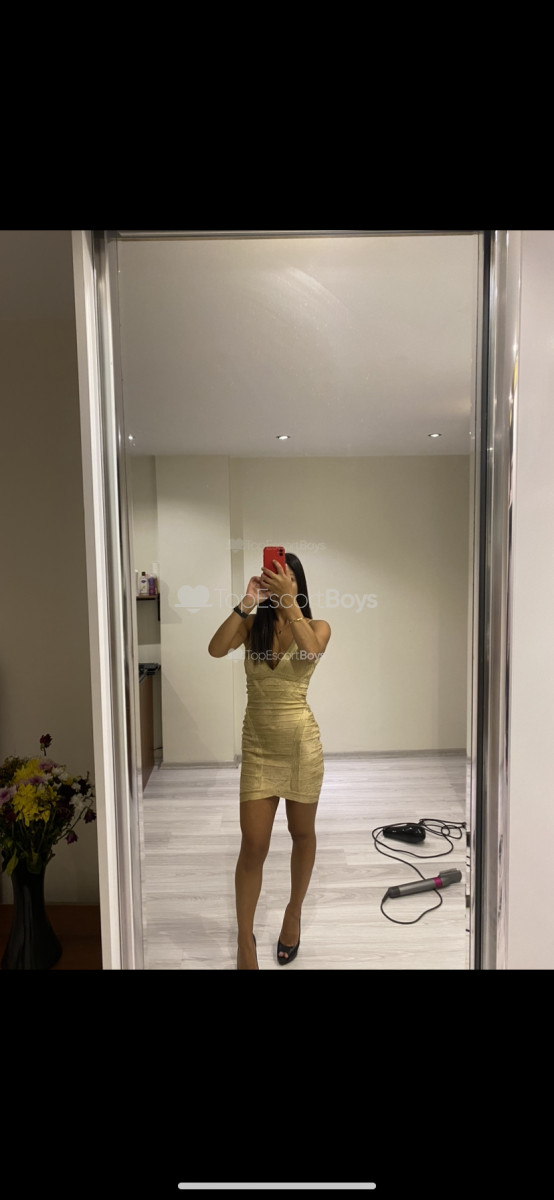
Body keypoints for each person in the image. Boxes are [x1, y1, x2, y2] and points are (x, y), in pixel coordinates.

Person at [208, 552, 331, 969]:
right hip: (259, 749)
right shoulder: (252, 626)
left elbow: (311, 652)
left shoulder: (317, 626)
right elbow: (215, 649)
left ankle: (293, 913)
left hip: (301, 748)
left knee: (302, 834)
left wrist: (288, 603)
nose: (278, 581)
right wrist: (246, 603)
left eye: (286, 576)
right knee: (253, 846)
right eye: (272, 574)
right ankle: (244, 940)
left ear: (298, 583)